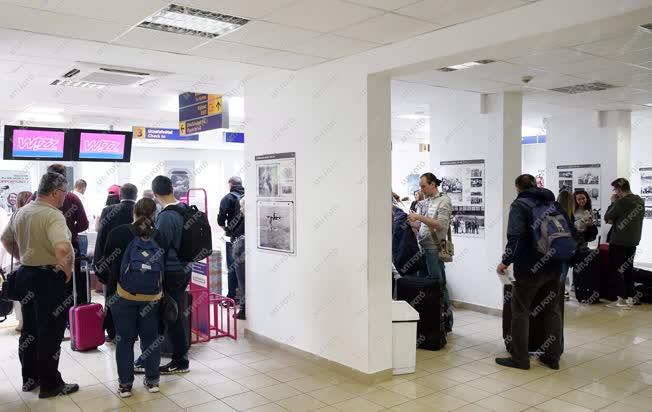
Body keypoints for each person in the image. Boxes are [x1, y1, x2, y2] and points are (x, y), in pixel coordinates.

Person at [1, 172, 79, 398]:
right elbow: (63, 249)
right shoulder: (53, 215)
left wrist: (23, 254)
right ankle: (51, 385)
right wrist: (66, 271)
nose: (65, 197)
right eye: (64, 192)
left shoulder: (22, 211)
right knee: (50, 333)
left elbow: (6, 240)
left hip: (26, 276)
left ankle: (30, 379)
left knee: (30, 330)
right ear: (55, 192)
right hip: (47, 278)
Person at [495, 174, 564, 370]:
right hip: (554, 263)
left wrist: (505, 261)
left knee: (520, 311)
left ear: (518, 187)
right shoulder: (552, 202)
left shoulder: (520, 205)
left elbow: (514, 237)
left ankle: (520, 358)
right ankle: (552, 357)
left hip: (530, 266)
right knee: (552, 309)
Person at [104, 198, 162, 397]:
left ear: (133, 213)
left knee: (125, 340)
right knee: (150, 338)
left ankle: (126, 385)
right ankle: (153, 381)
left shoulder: (118, 233)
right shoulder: (159, 235)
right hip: (152, 297)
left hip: (122, 295)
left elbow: (105, 264)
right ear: (155, 215)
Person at [139, 175, 191, 374]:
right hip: (184, 268)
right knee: (171, 314)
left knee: (172, 316)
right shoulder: (184, 209)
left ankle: (180, 360)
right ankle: (157, 356)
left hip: (170, 271)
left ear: (155, 194)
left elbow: (158, 246)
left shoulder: (166, 216)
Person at [407, 172, 453, 332]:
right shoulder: (427, 202)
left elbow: (440, 225)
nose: (421, 189)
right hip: (424, 248)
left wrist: (419, 217)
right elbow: (425, 226)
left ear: (433, 184)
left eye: (423, 186)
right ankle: (432, 320)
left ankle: (446, 322)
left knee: (438, 285)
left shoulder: (444, 201)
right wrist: (413, 223)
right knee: (426, 285)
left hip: (434, 249)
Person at [94, 183, 138, 343]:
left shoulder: (108, 211)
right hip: (135, 264)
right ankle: (134, 330)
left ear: (120, 195)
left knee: (111, 297)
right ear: (136, 195)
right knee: (135, 296)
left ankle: (113, 332)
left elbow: (101, 239)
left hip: (112, 264)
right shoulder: (139, 211)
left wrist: (98, 264)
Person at [45, 164, 89, 304]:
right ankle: (71, 318)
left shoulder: (36, 197)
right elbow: (84, 224)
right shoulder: (72, 198)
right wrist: (70, 232)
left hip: (44, 247)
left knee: (46, 286)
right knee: (70, 285)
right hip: (69, 247)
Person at [604, 178, 645, 309]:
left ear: (619, 189)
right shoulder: (640, 200)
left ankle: (621, 300)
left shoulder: (621, 202)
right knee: (628, 270)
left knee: (616, 270)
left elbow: (607, 218)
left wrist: (612, 203)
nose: (615, 192)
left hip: (618, 241)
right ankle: (630, 298)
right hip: (633, 241)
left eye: (615, 189)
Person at [217, 177, 245, 305]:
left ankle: (231, 298)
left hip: (234, 239)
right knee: (245, 269)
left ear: (231, 184)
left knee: (232, 268)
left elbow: (220, 220)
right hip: (248, 238)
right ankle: (244, 299)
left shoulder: (227, 198)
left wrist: (228, 229)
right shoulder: (248, 196)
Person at [557, 191, 576, 301]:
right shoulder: (568, 216)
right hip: (565, 248)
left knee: (559, 272)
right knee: (563, 272)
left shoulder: (553, 212)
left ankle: (559, 292)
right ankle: (559, 292)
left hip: (555, 248)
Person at [232, 196, 246, 320]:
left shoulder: (247, 222)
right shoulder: (243, 219)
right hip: (240, 256)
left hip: (242, 256)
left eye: (242, 206)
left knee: (243, 283)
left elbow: (235, 233)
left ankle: (243, 309)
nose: (240, 209)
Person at [72, 179, 92, 259]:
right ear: (83, 188)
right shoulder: (78, 198)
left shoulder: (71, 196)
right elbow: (84, 218)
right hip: (81, 234)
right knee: (81, 260)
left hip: (76, 234)